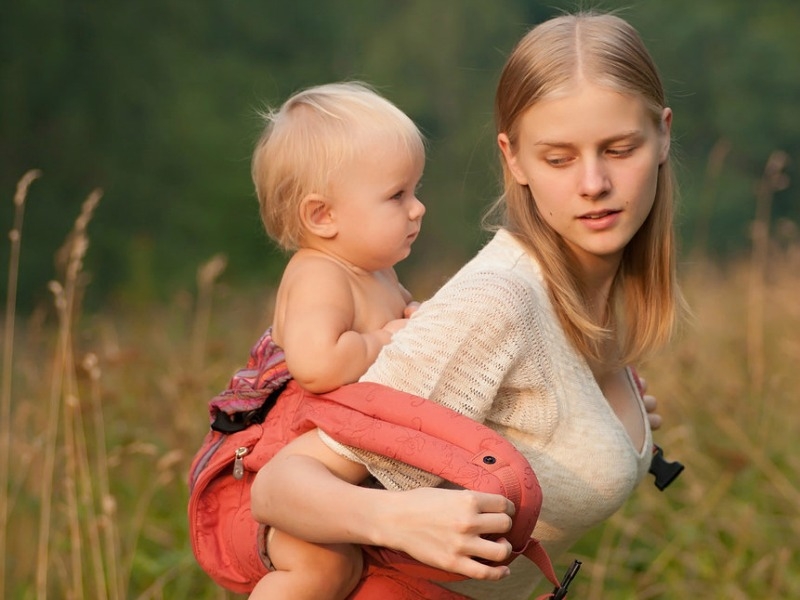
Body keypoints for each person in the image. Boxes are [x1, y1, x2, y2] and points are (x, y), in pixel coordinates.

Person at [251, 10, 683, 599]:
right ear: (514, 159)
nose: (592, 183)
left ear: (663, 135)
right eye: (558, 158)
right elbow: (280, 486)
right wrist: (396, 518)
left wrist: (617, 422)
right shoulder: (498, 303)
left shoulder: (594, 299)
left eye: (619, 148)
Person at [244, 81, 426, 599]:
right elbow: (316, 364)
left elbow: (411, 332)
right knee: (322, 569)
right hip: (292, 467)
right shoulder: (319, 275)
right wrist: (382, 340)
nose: (417, 209)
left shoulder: (378, 272)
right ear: (322, 216)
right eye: (397, 195)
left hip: (347, 461)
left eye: (414, 190)